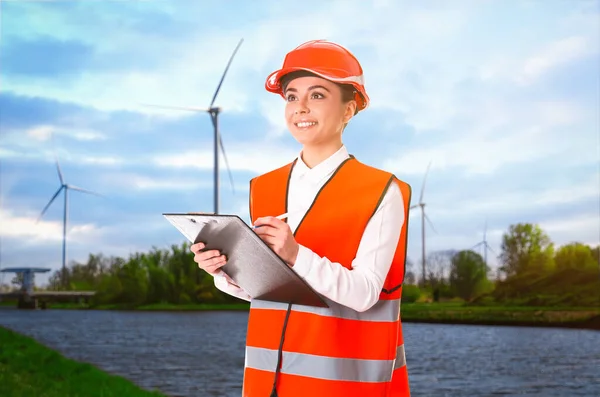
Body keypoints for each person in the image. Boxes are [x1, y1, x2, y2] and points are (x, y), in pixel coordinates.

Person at [191, 39, 412, 397]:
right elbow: (272, 290)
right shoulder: (264, 187)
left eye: (318, 95)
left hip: (343, 385)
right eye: (292, 96)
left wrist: (295, 254)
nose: (300, 107)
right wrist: (223, 271)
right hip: (267, 384)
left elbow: (366, 293)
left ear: (349, 109)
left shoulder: (381, 190)